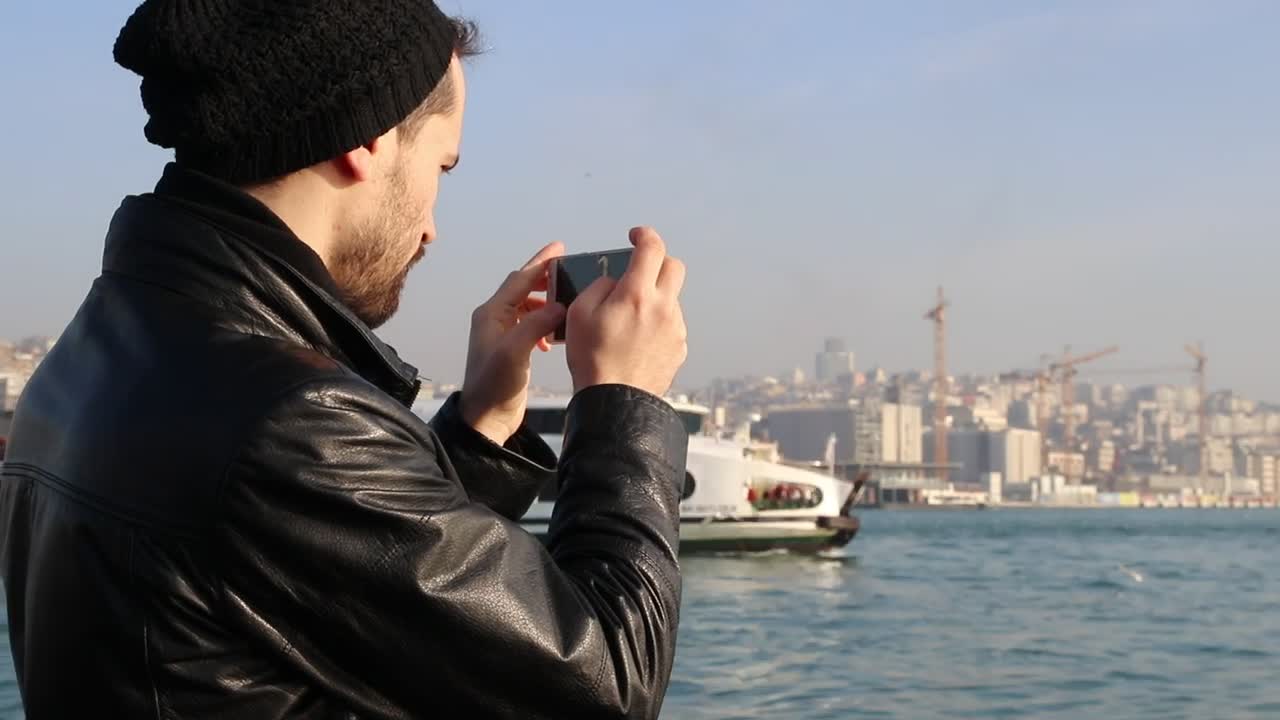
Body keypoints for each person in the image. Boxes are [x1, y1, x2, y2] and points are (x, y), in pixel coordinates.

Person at [0, 1, 690, 718]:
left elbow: (354, 589)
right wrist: (622, 399)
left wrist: (481, 426)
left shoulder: (104, 349)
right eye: (441, 167)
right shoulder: (290, 421)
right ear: (368, 139)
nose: (430, 229)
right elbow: (603, 684)